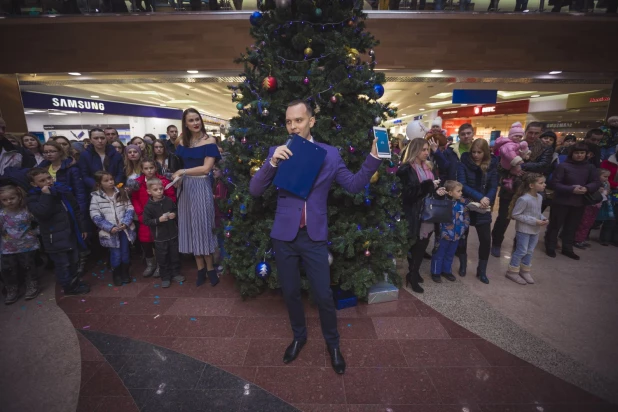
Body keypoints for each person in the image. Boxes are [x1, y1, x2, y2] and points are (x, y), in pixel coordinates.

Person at [249, 100, 382, 375]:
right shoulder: (278, 152)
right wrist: (272, 162)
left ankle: (333, 344)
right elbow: (255, 189)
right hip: (284, 236)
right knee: (291, 292)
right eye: (288, 121)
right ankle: (299, 337)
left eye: (298, 120)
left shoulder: (330, 154)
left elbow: (354, 185)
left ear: (311, 121)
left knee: (323, 294)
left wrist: (374, 158)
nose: (293, 126)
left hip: (314, 236)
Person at [171, 108, 221, 288]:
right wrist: (177, 178)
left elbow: (206, 168)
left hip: (201, 186)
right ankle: (200, 269)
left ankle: (210, 268)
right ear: (185, 123)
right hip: (184, 187)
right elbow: (178, 165)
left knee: (203, 227)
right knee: (190, 228)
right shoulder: (181, 142)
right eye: (191, 120)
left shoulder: (210, 141)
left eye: (197, 119)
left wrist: (182, 171)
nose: (195, 123)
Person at [491, 122, 551, 257]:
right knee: (503, 217)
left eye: (536, 133)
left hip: (531, 189)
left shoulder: (544, 149)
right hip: (510, 186)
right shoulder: (513, 143)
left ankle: (519, 245)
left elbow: (543, 166)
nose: (533, 135)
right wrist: (510, 167)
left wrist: (520, 166)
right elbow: (501, 165)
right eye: (530, 132)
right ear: (526, 132)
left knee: (527, 217)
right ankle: (496, 242)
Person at [26, 168, 90, 295]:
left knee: (73, 261)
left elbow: (76, 209)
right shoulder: (33, 197)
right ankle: (69, 287)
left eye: (48, 178)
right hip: (54, 238)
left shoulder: (62, 190)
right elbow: (42, 213)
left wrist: (82, 228)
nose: (48, 182)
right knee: (63, 264)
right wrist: (46, 195)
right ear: (34, 184)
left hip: (70, 233)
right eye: (42, 181)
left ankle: (75, 282)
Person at [397, 138, 445, 294]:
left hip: (428, 213)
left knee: (423, 244)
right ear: (415, 150)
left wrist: (436, 190)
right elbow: (409, 194)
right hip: (415, 213)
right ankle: (411, 274)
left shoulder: (427, 167)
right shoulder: (406, 169)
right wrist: (429, 186)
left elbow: (427, 189)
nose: (426, 152)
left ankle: (415, 271)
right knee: (416, 245)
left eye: (427, 150)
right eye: (423, 149)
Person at [545, 143, 601, 260]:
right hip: (561, 201)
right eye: (576, 153)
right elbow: (554, 183)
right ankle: (550, 246)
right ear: (572, 154)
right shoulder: (563, 166)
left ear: (586, 154)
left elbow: (596, 182)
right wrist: (571, 189)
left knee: (572, 226)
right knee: (555, 225)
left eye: (582, 153)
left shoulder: (590, 167)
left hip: (579, 202)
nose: (579, 155)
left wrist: (587, 188)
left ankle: (567, 248)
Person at [456, 138, 498, 283]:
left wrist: (487, 199)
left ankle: (482, 270)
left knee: (486, 240)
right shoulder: (464, 164)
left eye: (479, 152)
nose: (475, 155)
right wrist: (480, 197)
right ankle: (462, 265)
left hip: (483, 207)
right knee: (463, 236)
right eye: (473, 151)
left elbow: (493, 186)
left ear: (485, 152)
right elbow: (463, 184)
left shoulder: (492, 165)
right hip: (467, 204)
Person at [89, 171, 136, 286]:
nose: (110, 182)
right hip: (110, 232)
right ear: (99, 184)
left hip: (124, 230)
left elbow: (129, 208)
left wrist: (126, 222)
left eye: (111, 179)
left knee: (125, 252)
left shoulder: (121, 192)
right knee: (116, 254)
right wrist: (109, 227)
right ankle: (117, 274)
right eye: (106, 180)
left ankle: (125, 272)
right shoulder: (96, 198)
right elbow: (95, 215)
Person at [132, 159, 176, 278]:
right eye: (146, 168)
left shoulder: (163, 181)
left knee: (159, 242)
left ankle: (160, 265)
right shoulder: (137, 183)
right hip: (144, 217)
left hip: (162, 217)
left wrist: (167, 212)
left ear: (155, 168)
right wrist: (140, 213)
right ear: (142, 170)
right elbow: (135, 198)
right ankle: (150, 264)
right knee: (146, 241)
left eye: (151, 168)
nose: (149, 170)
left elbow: (171, 197)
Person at [505, 173, 548, 285]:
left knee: (530, 251)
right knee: (521, 251)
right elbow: (516, 214)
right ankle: (512, 271)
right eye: (541, 183)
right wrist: (535, 221)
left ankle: (524, 271)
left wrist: (543, 218)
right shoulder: (524, 199)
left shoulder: (540, 197)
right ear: (531, 185)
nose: (544, 185)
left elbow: (537, 212)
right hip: (524, 230)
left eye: (544, 182)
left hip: (535, 230)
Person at [0, 185, 40, 304]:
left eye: (12, 198)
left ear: (19, 196)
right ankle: (12, 289)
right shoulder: (1, 214)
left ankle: (32, 285)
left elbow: (39, 222)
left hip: (28, 245)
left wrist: (36, 232)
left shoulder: (27, 211)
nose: (9, 201)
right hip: (8, 247)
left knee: (28, 266)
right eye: (4, 199)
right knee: (8, 269)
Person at [143, 177, 184, 288]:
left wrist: (174, 214)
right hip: (160, 237)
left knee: (174, 255)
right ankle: (165, 277)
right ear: (149, 191)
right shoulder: (149, 206)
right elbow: (146, 221)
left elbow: (175, 210)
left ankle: (175, 273)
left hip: (173, 234)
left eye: (161, 189)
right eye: (155, 190)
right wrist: (158, 220)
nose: (159, 191)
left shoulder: (168, 200)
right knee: (162, 258)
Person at [430, 181, 470, 283]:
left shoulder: (462, 205)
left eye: (461, 191)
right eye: (458, 191)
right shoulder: (444, 204)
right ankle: (435, 272)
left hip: (456, 235)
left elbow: (466, 218)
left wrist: (462, 230)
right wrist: (442, 232)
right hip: (444, 236)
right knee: (439, 254)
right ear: (450, 193)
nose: (461, 193)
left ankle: (446, 271)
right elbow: (438, 219)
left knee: (450, 254)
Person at [38, 140, 88, 218]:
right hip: (51, 204)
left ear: (60, 152)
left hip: (69, 204)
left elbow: (79, 192)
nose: (49, 154)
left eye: (52, 151)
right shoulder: (43, 168)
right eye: (46, 152)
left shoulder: (71, 168)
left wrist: (81, 211)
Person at [573, 169, 608, 249]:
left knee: (589, 223)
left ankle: (582, 239)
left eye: (607, 177)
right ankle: (577, 239)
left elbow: (607, 192)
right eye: (604, 176)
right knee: (583, 223)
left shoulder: (605, 184)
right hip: (590, 205)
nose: (606, 178)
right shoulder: (592, 184)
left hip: (597, 206)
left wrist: (605, 190)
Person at [493, 122, 531, 189]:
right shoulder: (509, 144)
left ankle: (509, 180)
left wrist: (525, 154)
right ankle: (509, 179)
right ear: (511, 135)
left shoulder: (516, 143)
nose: (518, 138)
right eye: (516, 136)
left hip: (510, 163)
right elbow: (509, 153)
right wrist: (517, 160)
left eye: (520, 136)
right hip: (508, 162)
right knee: (515, 169)